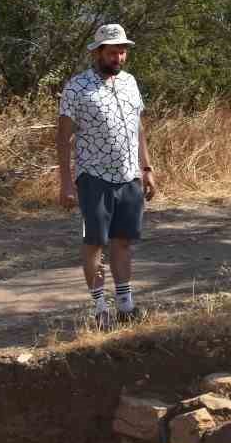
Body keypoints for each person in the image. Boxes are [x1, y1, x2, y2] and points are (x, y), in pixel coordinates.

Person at [57, 23, 157, 329]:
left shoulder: (129, 83)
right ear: (98, 52)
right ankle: (100, 308)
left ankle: (126, 305)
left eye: (123, 51)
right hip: (93, 178)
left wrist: (147, 168)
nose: (120, 57)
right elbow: (63, 138)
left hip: (129, 177)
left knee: (123, 241)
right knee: (94, 243)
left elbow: (138, 128)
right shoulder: (77, 88)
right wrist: (65, 182)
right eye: (113, 52)